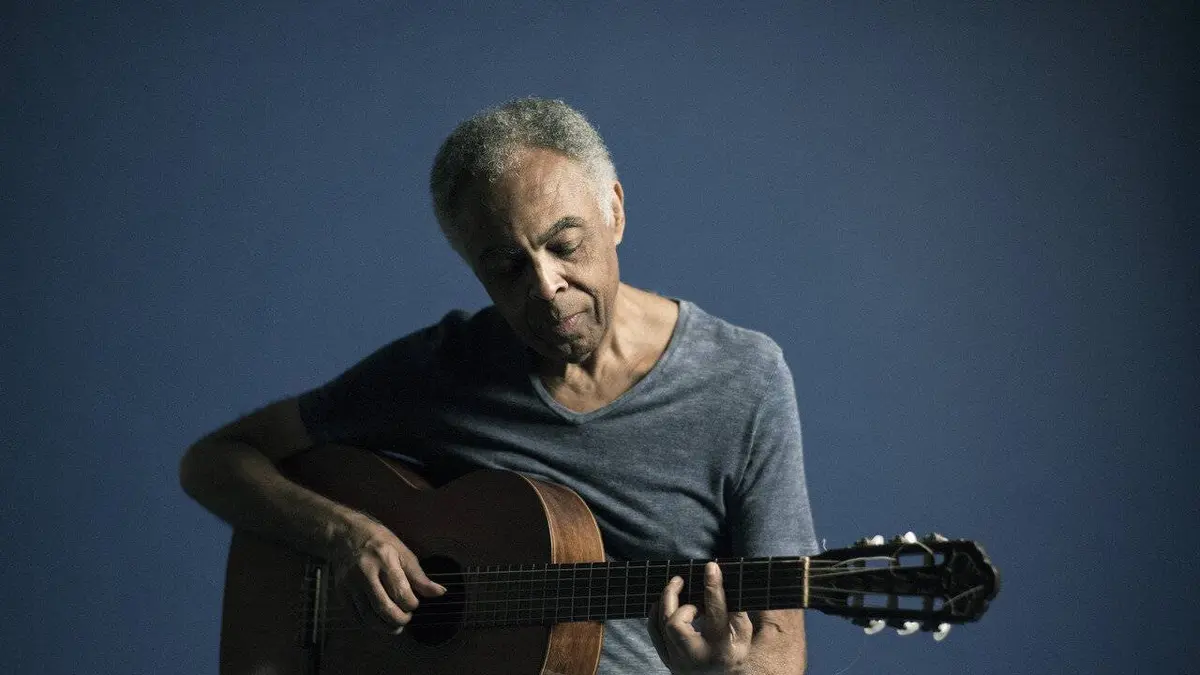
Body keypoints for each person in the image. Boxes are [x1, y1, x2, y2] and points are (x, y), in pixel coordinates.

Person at [180, 97, 819, 674]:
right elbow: (216, 461)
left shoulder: (744, 376)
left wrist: (723, 673)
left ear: (615, 211)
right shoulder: (441, 370)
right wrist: (346, 536)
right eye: (508, 267)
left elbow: (780, 646)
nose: (546, 286)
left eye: (565, 245)